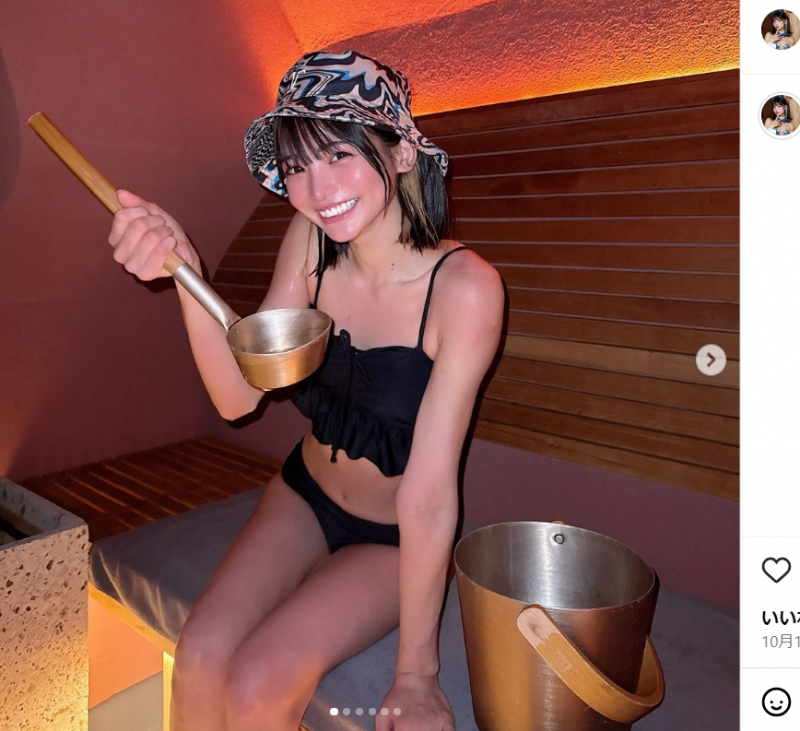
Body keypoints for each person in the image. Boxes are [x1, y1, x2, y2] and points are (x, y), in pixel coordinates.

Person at [107, 49, 504, 731]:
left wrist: (417, 674)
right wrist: (184, 272)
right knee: (199, 655)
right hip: (303, 494)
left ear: (402, 152)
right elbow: (238, 397)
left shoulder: (466, 290)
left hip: (392, 537)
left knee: (258, 684)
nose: (317, 191)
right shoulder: (310, 240)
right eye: (296, 166)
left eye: (339, 154)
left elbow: (429, 493)